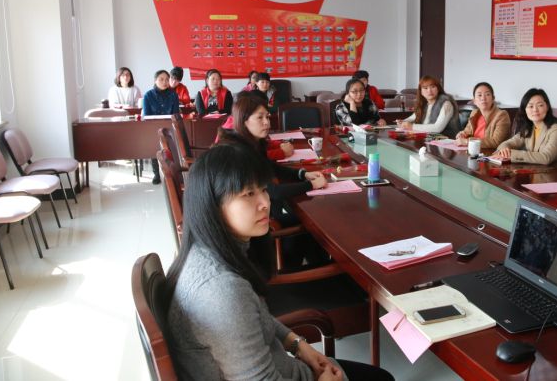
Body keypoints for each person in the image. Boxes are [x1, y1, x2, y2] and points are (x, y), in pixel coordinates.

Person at [165, 143, 394, 381]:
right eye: (248, 194)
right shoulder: (221, 291)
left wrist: (297, 344)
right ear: (213, 205)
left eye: (263, 189)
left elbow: (254, 316)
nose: (265, 202)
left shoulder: (206, 252)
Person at [218, 91, 328, 267]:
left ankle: (316, 268)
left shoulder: (251, 142)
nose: (267, 122)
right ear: (244, 121)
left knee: (307, 221)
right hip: (248, 225)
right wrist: (311, 185)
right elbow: (272, 191)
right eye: (260, 118)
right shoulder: (238, 152)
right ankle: (303, 271)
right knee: (312, 222)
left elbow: (270, 167)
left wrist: (302, 174)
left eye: (267, 117)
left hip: (258, 214)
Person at [494, 88, 557, 171]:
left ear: (547, 107)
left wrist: (512, 154)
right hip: (538, 172)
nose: (535, 110)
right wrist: (504, 149)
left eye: (540, 105)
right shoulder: (529, 128)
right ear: (525, 110)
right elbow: (509, 143)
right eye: (530, 106)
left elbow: (546, 157)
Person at [143, 69, 180, 184]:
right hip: (153, 126)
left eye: (167, 79)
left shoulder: (173, 94)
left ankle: (171, 172)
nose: (165, 82)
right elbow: (146, 116)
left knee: (171, 147)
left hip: (169, 127)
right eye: (161, 79)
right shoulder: (148, 95)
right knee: (154, 145)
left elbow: (176, 114)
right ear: (155, 80)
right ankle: (156, 173)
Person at [455, 82, 511, 150]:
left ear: (493, 98)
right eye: (479, 95)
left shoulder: (502, 115)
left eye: (487, 94)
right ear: (474, 101)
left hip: (490, 153)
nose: (483, 98)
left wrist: (467, 141)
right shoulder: (474, 113)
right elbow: (467, 131)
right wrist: (462, 134)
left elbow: (496, 142)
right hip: (473, 151)